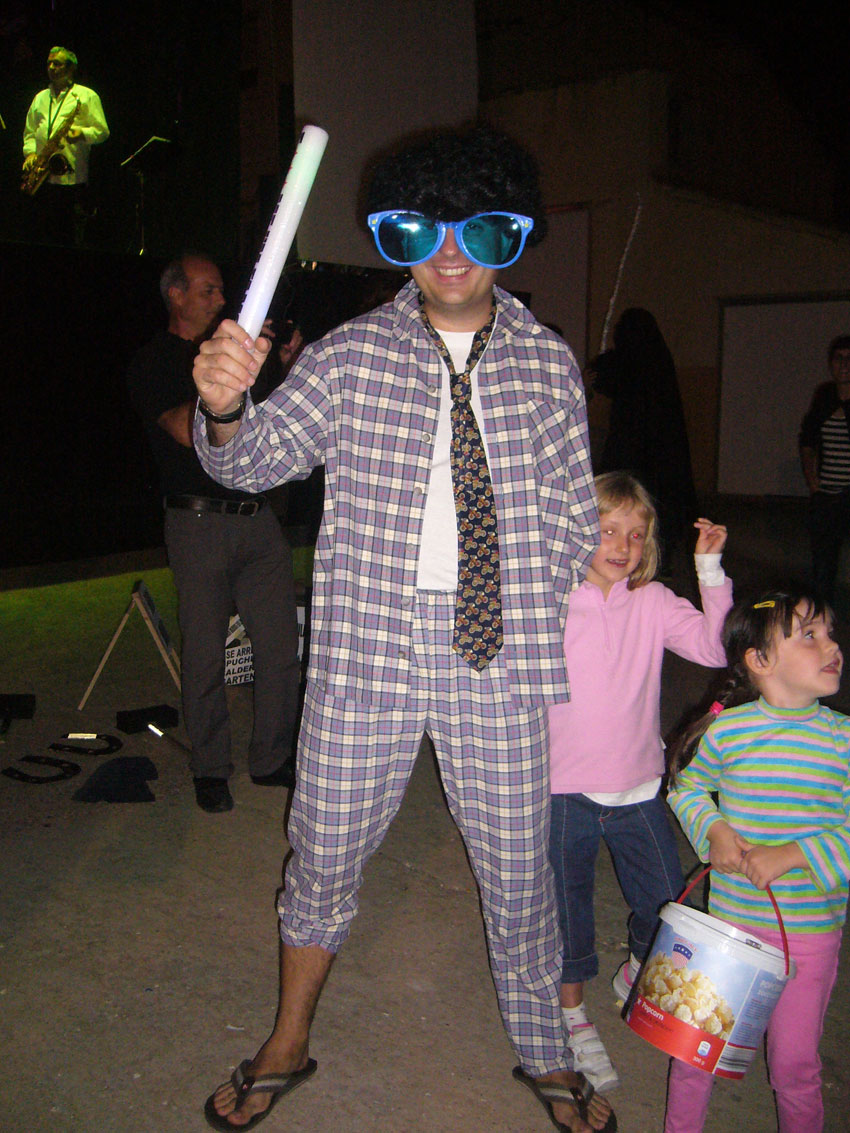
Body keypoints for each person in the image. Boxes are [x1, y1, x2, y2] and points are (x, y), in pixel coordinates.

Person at [192, 126, 616, 1132]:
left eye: (481, 228)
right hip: (367, 646)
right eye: (423, 229)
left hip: (497, 651)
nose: (452, 250)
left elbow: (573, 506)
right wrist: (224, 410)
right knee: (323, 852)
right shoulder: (349, 355)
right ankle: (287, 1040)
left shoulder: (548, 363)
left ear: (516, 232)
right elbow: (250, 462)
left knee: (518, 870)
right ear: (397, 238)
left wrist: (533, 594)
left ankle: (544, 1050)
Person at [547, 471, 731, 1092]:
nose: (622, 545)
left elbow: (714, 649)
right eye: (607, 530)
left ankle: (637, 967)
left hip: (638, 790)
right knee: (566, 911)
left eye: (635, 533)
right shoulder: (550, 599)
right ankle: (572, 1016)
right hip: (562, 791)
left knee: (669, 907)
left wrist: (709, 569)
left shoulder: (652, 601)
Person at [664, 590, 849, 1132]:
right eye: (810, 635)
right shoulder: (730, 730)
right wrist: (715, 830)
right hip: (730, 931)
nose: (832, 646)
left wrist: (797, 854)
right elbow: (685, 786)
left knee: (794, 1067)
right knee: (695, 1053)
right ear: (760, 661)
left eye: (830, 633)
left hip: (807, 939)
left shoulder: (842, 741)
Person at [127, 253, 301, 814]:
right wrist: (224, 387)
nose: (221, 300)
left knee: (280, 648)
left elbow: (278, 426)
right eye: (209, 290)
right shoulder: (156, 360)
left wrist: (282, 365)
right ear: (175, 294)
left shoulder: (239, 357)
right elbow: (184, 430)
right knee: (204, 653)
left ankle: (271, 758)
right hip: (198, 521)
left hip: (259, 519)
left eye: (223, 290)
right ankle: (209, 766)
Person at [590, 309, 697, 574]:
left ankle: (645, 562)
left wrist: (600, 364)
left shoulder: (626, 361)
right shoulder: (657, 358)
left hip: (631, 446)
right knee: (655, 502)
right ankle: (657, 562)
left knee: (628, 499)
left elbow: (600, 381)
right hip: (663, 448)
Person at [21, 46, 109, 245]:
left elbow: (103, 132)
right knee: (42, 237)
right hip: (42, 178)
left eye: (57, 64)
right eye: (49, 63)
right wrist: (30, 154)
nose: (51, 67)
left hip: (72, 181)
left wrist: (82, 134)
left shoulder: (86, 96)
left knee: (68, 239)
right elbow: (30, 132)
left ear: (71, 69)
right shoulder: (40, 97)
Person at [799, 334, 850, 604]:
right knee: (823, 562)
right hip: (827, 494)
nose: (844, 365)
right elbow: (807, 439)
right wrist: (812, 479)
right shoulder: (825, 397)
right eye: (839, 359)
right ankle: (821, 613)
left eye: (849, 359)